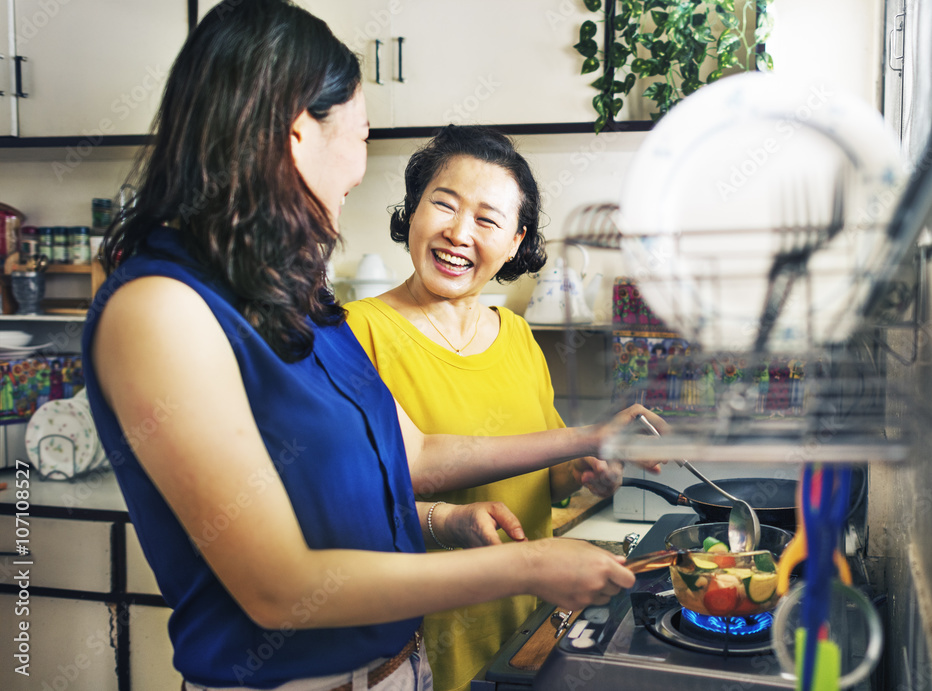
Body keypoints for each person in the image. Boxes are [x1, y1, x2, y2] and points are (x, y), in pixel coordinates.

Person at [82, 3, 663, 690]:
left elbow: (413, 451)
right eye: (361, 135)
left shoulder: (289, 297)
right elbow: (278, 586)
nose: (360, 168)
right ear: (299, 132)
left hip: (392, 670)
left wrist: (583, 438)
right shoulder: (161, 310)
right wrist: (533, 564)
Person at [344, 125, 630, 691]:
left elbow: (547, 477)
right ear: (413, 211)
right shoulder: (359, 332)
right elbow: (365, 496)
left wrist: (588, 471)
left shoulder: (518, 336)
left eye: (486, 219)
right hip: (416, 644)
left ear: (516, 241)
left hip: (528, 626)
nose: (457, 233)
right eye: (443, 205)